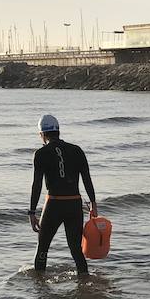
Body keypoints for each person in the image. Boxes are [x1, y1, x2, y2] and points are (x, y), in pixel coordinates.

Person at [28, 114, 98, 274]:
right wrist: (93, 204)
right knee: (76, 250)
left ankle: (39, 288)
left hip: (54, 204)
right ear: (58, 131)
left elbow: (37, 184)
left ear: (42, 134)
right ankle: (84, 280)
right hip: (74, 204)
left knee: (43, 248)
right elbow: (87, 179)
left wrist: (32, 212)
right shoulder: (77, 150)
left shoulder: (40, 154)